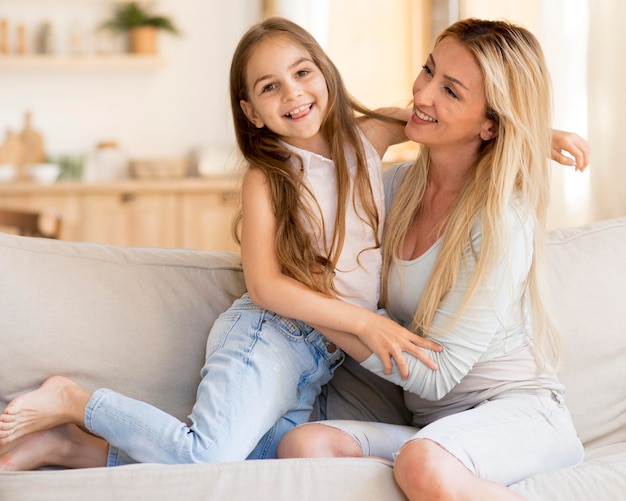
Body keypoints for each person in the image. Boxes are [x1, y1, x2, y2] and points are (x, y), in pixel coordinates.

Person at [0, 17, 588, 472]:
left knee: (259, 456)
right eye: (270, 87)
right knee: (210, 455)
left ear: (325, 73)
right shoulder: (271, 176)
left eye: (303, 73)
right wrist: (366, 324)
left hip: (321, 354)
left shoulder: (368, 143)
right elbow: (266, 285)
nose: (293, 94)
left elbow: (432, 116)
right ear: (251, 112)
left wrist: (536, 133)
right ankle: (78, 401)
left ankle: (69, 450)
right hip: (272, 332)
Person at [277, 18, 586, 501]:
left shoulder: (501, 220)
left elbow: (436, 376)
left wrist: (310, 307)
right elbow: (324, 158)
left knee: (423, 461)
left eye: (452, 91)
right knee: (304, 445)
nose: (422, 94)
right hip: (434, 430)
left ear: (492, 122)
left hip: (519, 417)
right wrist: (500, 126)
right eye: (428, 71)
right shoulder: (396, 189)